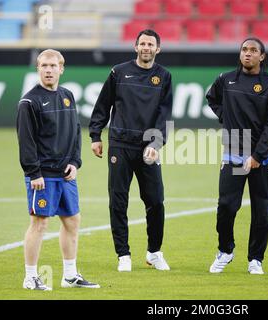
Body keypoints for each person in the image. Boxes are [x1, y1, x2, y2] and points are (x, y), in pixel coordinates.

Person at [89, 29, 173, 272]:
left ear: (158, 49)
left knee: (156, 201)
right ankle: (123, 255)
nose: (146, 47)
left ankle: (155, 253)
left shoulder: (164, 76)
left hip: (148, 147)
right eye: (142, 44)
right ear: (136, 47)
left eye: (151, 44)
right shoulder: (119, 72)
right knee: (118, 201)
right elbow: (103, 104)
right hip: (120, 145)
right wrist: (96, 135)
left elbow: (164, 114)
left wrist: (156, 144)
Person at [17, 49, 99, 290]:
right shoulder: (29, 102)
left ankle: (70, 275)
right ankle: (30, 276)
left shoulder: (67, 95)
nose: (49, 70)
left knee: (72, 221)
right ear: (38, 69)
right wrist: (34, 173)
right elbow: (26, 141)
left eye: (53, 66)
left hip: (66, 174)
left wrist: (75, 162)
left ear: (61, 69)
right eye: (44, 66)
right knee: (40, 223)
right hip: (42, 175)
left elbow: (74, 131)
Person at [206, 37, 268, 275]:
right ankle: (225, 251)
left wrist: (258, 156)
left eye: (253, 50)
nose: (247, 54)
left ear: (262, 56)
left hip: (262, 160)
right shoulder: (226, 79)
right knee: (227, 207)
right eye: (244, 50)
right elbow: (212, 98)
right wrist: (225, 117)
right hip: (234, 155)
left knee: (261, 212)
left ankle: (255, 259)